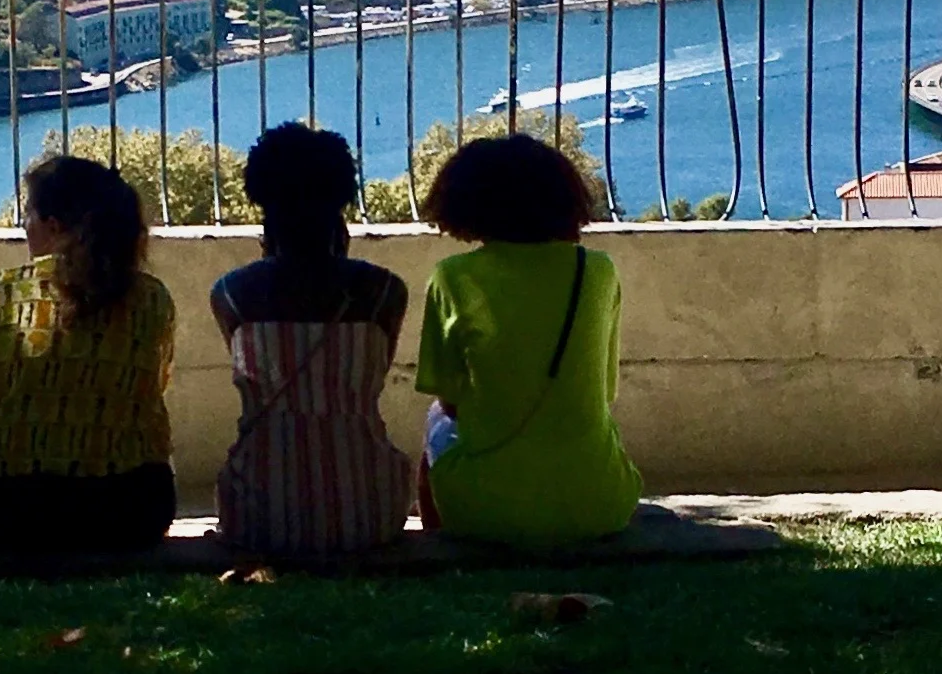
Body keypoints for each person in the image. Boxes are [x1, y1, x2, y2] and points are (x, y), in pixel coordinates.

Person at [414, 131, 642, 549]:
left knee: (435, 420)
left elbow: (451, 402)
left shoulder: (454, 277)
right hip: (601, 504)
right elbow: (604, 391)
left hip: (484, 513)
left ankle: (437, 544)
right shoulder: (598, 271)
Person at [209, 123, 412, 558]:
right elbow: (372, 384)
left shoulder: (230, 295)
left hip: (257, 515)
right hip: (370, 510)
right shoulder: (384, 293)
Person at [0, 150, 180, 553]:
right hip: (130, 513)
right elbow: (153, 388)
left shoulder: (4, 290)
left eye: (27, 215)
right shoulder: (153, 298)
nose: (24, 225)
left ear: (52, 226)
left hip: (14, 515)